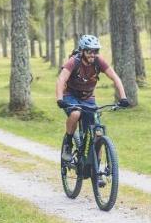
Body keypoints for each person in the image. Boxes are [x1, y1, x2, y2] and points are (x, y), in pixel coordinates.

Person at [56, 34, 130, 164]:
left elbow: (115, 78)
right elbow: (61, 79)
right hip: (70, 95)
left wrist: (123, 97)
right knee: (75, 113)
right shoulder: (74, 61)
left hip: (88, 97)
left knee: (98, 133)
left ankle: (97, 169)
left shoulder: (98, 61)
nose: (92, 54)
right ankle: (68, 144)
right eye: (89, 51)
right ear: (83, 51)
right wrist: (60, 99)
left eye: (95, 51)